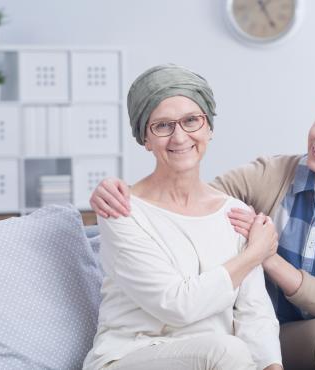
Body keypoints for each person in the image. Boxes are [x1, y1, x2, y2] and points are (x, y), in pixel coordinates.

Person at [90, 78, 315, 370]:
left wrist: (266, 255)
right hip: (284, 321)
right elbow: (189, 198)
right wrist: (117, 191)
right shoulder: (271, 175)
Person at [83, 64, 283, 370]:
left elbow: (254, 313)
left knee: (232, 351)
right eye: (162, 125)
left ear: (209, 128)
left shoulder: (235, 213)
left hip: (218, 361)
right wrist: (256, 253)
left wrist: (273, 366)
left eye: (191, 120)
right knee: (227, 351)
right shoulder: (122, 210)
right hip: (130, 357)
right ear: (145, 139)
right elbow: (177, 306)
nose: (179, 137)